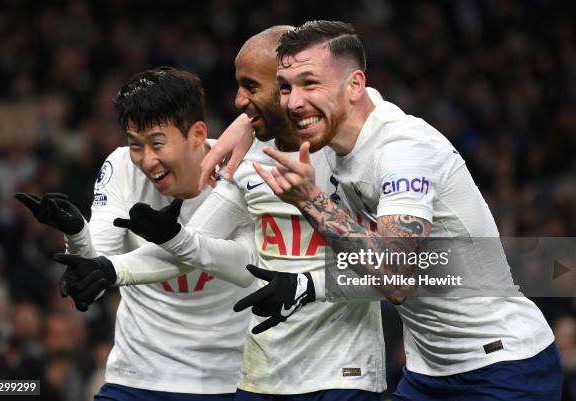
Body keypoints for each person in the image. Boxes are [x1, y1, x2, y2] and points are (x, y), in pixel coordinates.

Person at [238, 20, 562, 401]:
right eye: (285, 88)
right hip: (426, 371)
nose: (294, 101)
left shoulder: (402, 150)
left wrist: (310, 199)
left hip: (503, 367)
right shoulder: (339, 128)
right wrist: (243, 125)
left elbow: (396, 278)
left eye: (310, 84)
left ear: (355, 85)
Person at [101, 26, 387, 400]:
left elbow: (402, 273)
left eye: (250, 87)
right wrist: (111, 267)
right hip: (262, 376)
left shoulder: (358, 149)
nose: (238, 100)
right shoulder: (245, 161)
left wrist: (309, 286)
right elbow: (195, 248)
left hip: (342, 373)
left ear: (286, 85)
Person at [15, 67, 257, 400]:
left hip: (226, 381)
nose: (147, 160)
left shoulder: (242, 169)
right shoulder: (121, 167)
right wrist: (76, 233)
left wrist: (168, 240)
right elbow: (96, 275)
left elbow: (245, 270)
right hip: (136, 377)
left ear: (198, 134)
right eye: (136, 145)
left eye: (158, 143)